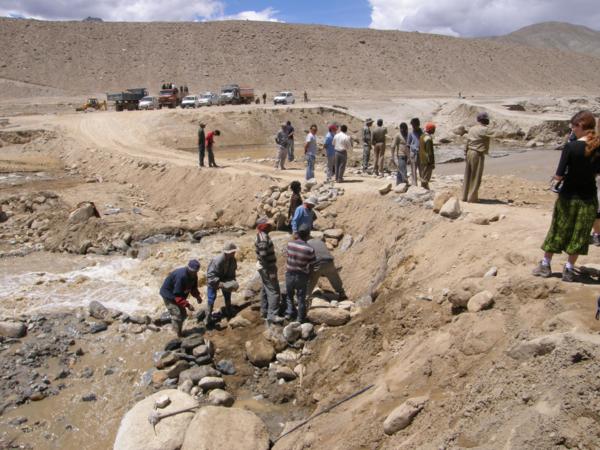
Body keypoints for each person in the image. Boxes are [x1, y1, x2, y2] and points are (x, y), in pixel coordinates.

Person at [533, 110, 600, 282]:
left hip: (568, 196)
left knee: (558, 229)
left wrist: (557, 180)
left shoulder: (571, 147)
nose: (572, 130)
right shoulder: (597, 146)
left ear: (581, 126)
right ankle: (569, 269)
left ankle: (546, 264)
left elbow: (559, 174)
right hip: (588, 198)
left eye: (574, 127)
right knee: (580, 233)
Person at [159, 259, 203, 337]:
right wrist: (188, 305)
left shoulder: (194, 276)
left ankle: (175, 324)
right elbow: (177, 296)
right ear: (188, 268)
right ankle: (178, 334)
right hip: (169, 295)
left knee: (183, 314)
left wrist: (197, 296)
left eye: (196, 272)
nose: (194, 273)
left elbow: (193, 288)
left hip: (179, 294)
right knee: (177, 315)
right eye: (192, 271)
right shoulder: (181, 277)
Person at [255, 218, 284, 325]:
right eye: (268, 225)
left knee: (265, 288)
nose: (271, 226)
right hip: (267, 268)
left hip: (264, 267)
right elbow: (263, 256)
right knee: (274, 291)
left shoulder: (262, 236)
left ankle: (264, 311)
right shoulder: (263, 238)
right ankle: (272, 315)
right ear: (264, 226)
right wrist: (270, 270)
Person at [285, 224, 316, 322]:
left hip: (289, 273)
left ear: (298, 234)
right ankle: (300, 318)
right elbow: (312, 264)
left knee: (289, 295)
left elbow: (287, 255)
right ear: (308, 235)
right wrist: (310, 275)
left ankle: (289, 313)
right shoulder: (310, 249)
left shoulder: (290, 244)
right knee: (301, 298)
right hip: (302, 275)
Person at [205, 242, 238, 326]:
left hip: (224, 279)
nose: (234, 253)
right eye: (233, 252)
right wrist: (218, 283)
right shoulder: (217, 260)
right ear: (228, 253)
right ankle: (208, 318)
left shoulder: (233, 260)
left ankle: (228, 311)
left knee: (227, 295)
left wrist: (232, 282)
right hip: (213, 280)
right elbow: (210, 275)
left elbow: (232, 272)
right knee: (211, 298)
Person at [462, 112, 493, 203]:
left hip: (469, 152)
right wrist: (516, 133)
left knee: (468, 175)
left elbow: (467, 142)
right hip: (477, 153)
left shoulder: (472, 129)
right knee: (476, 176)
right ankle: (472, 198)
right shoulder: (485, 130)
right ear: (485, 120)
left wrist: (465, 153)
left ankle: (465, 196)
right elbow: (499, 133)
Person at [307, 236, 347, 301]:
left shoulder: (306, 244)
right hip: (329, 262)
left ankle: (305, 298)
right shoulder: (320, 241)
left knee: (311, 280)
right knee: (334, 278)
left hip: (317, 264)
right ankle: (342, 294)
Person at [419, 122, 436, 189]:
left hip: (422, 159)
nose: (434, 131)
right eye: (433, 129)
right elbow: (429, 152)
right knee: (426, 177)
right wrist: (432, 163)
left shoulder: (422, 136)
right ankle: (424, 190)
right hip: (427, 161)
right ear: (430, 130)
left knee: (423, 175)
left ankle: (423, 188)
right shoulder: (428, 138)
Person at [406, 118, 423, 186]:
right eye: (412, 125)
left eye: (414, 125)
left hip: (421, 154)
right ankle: (414, 184)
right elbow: (408, 145)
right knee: (413, 170)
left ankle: (423, 184)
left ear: (418, 125)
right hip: (413, 154)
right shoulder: (410, 133)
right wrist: (408, 157)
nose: (413, 127)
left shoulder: (422, 133)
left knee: (422, 170)